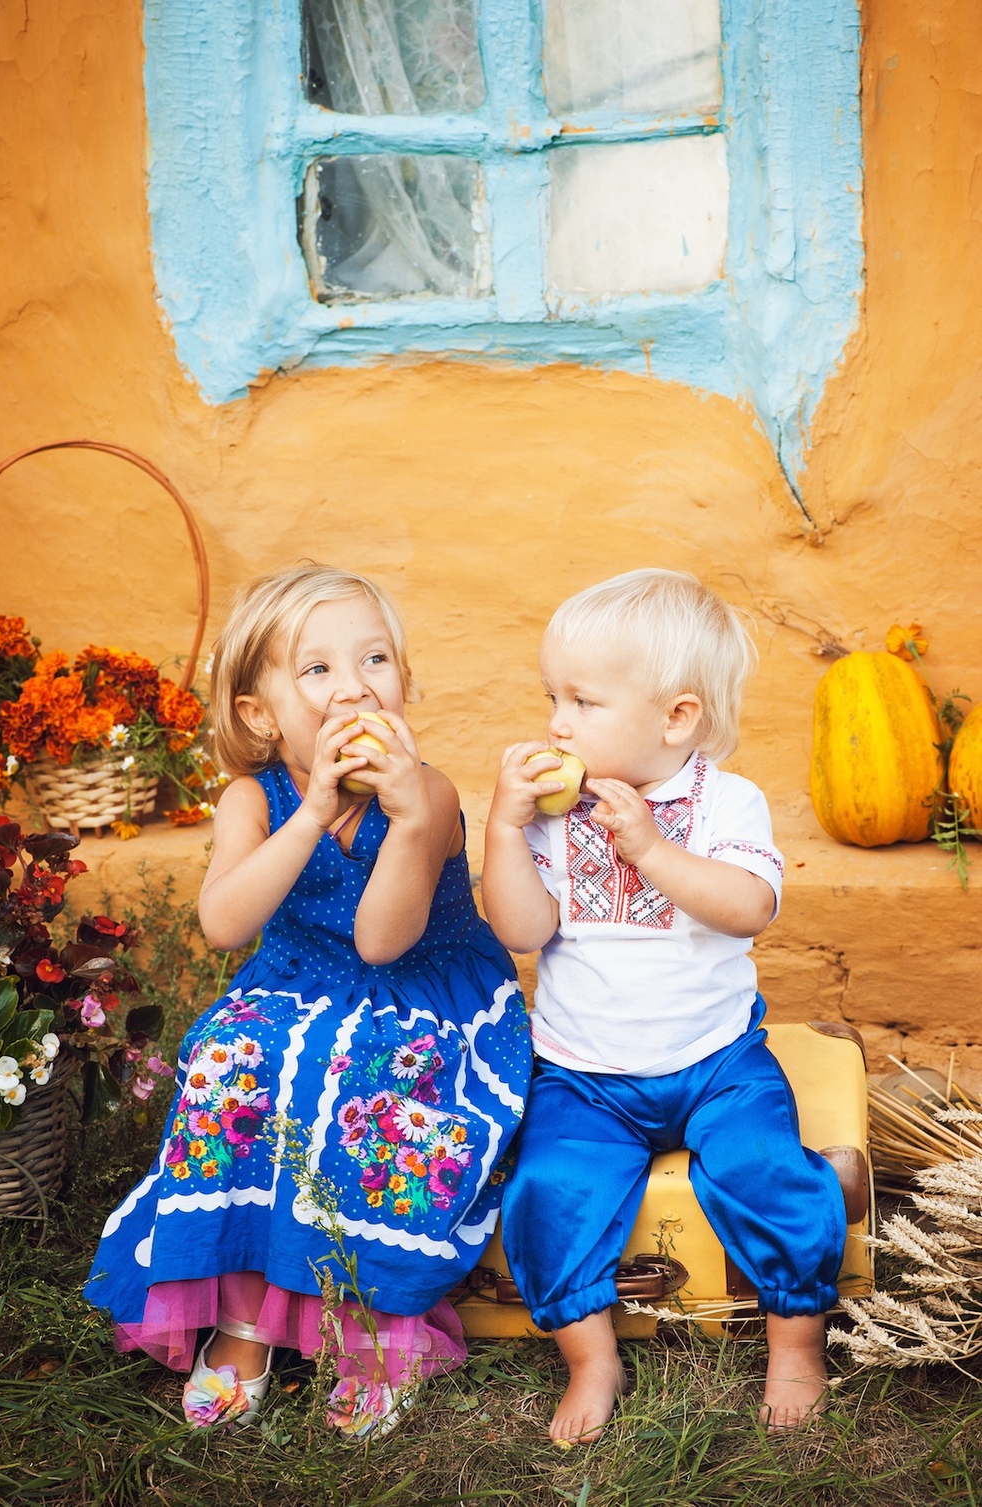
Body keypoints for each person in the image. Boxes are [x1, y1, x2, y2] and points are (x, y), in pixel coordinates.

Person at [85, 563, 531, 1435]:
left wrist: (402, 818)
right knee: (234, 1061)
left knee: (371, 1084)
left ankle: (375, 1329)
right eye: (317, 669)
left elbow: (380, 941)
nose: (353, 686)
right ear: (261, 713)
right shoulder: (253, 798)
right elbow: (222, 921)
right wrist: (311, 808)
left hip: (422, 995)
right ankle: (246, 1317)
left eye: (374, 660)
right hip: (293, 987)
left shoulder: (428, 794)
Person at [481, 568, 846, 1443]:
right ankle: (589, 1355)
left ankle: (795, 1342)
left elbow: (749, 906)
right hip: (585, 1074)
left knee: (773, 1171)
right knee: (545, 1190)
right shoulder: (551, 814)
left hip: (717, 1062)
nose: (556, 722)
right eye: (550, 697)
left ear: (675, 717)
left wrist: (648, 844)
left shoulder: (727, 801)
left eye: (583, 701)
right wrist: (501, 827)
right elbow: (522, 928)